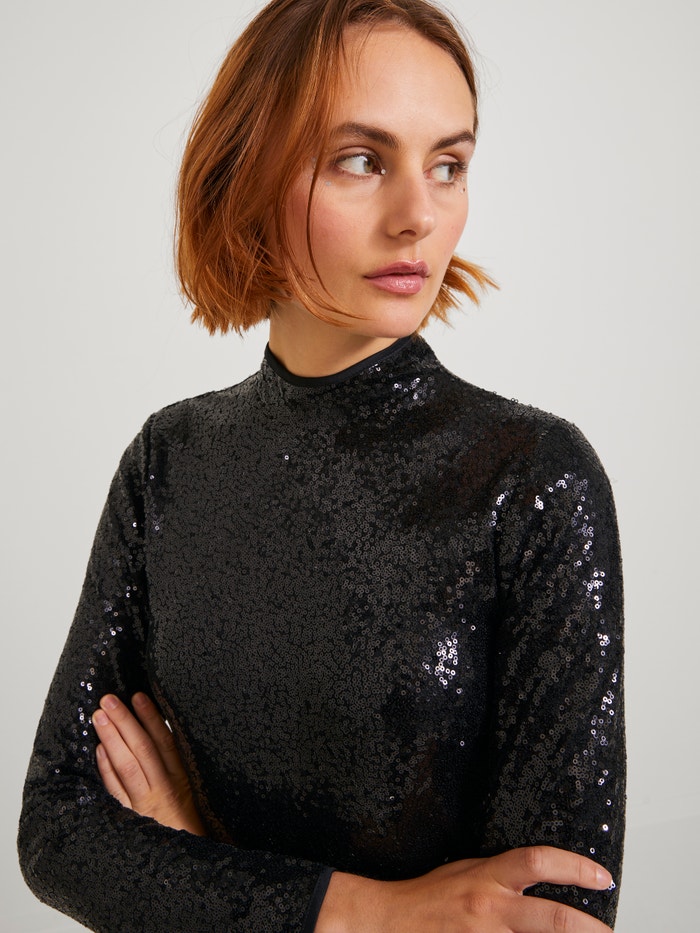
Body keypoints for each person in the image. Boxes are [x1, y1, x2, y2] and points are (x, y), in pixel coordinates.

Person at [18, 1, 625, 931]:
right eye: (361, 160)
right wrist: (368, 911)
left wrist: (190, 859)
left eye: (449, 165)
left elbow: (550, 913)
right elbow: (57, 829)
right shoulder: (167, 462)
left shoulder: (535, 478)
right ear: (252, 173)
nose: (419, 215)